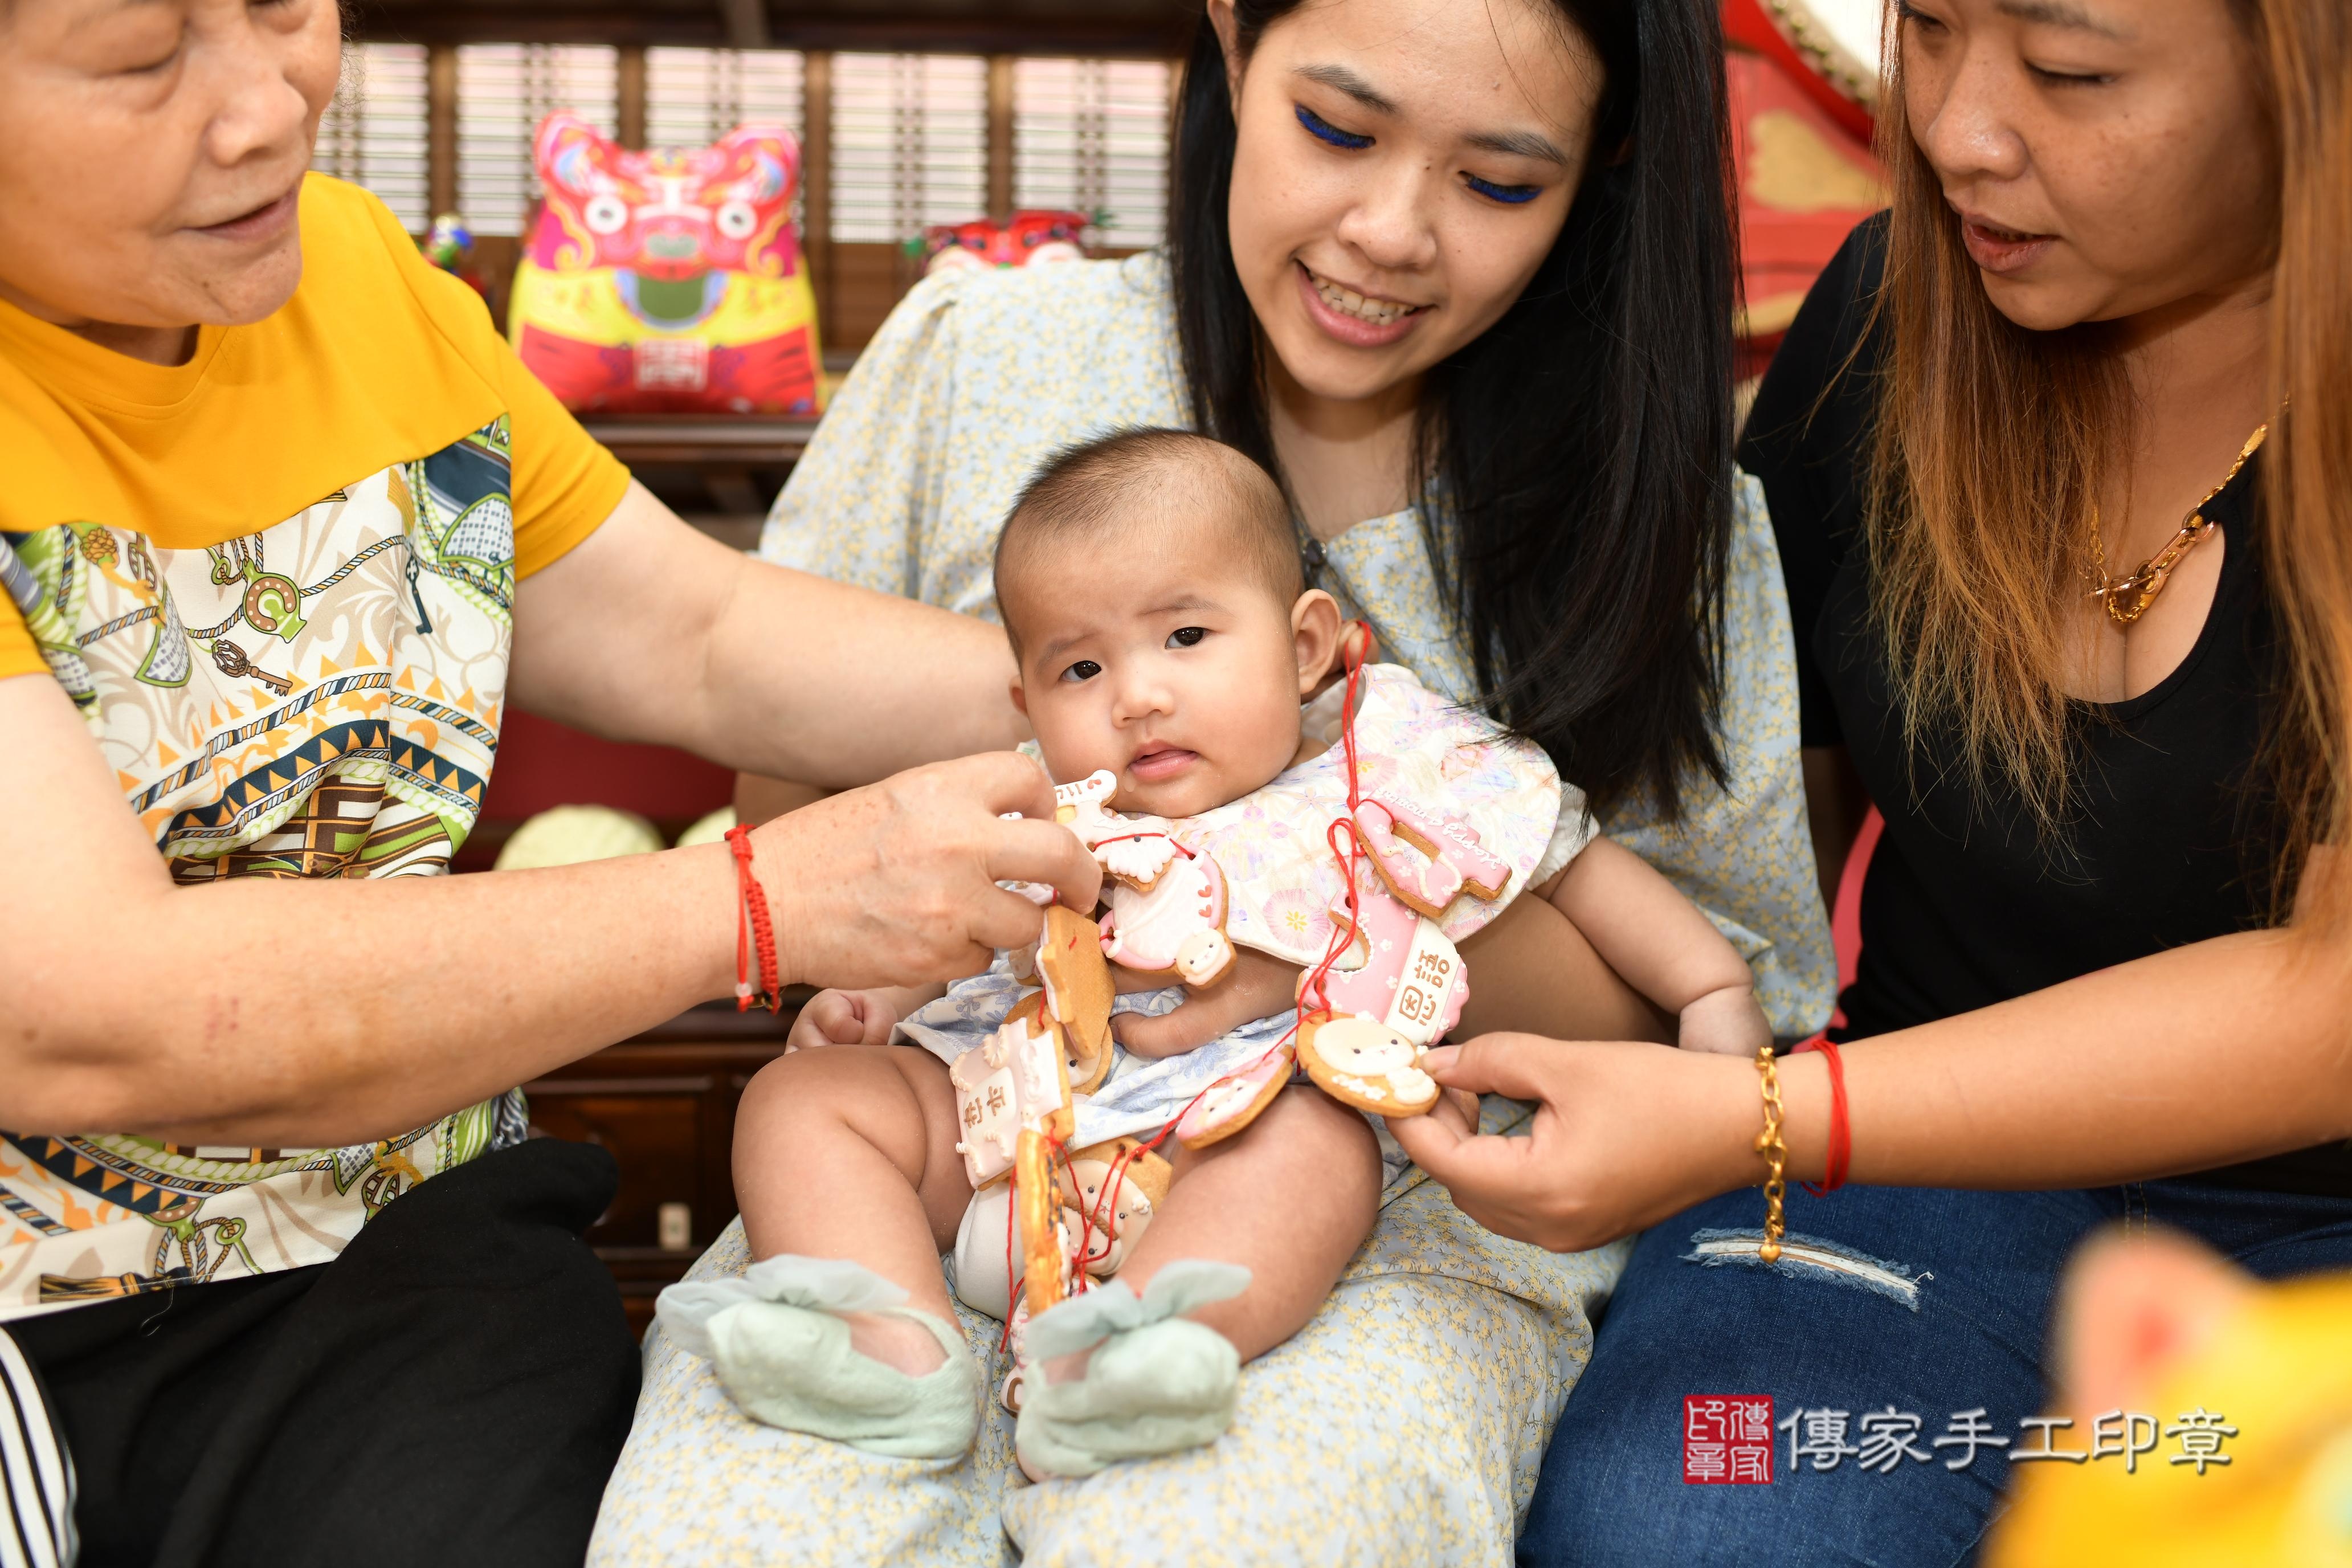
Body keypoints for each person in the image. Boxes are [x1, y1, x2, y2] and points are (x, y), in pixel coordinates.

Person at [593, 0, 1834, 1561]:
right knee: (749, 1527)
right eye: (1338, 127)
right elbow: (787, 828)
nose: (1390, 231)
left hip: (1392, 1197)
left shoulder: (1664, 520)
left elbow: (1721, 1020)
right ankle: (888, 1354)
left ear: (1604, 168)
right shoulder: (993, 350)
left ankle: (1130, 1362)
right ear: (1235, 41)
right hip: (964, 1127)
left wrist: (1312, 946)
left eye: (1500, 180)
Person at [0, 2, 1101, 1562]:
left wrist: (1124, 706)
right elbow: (92, 1012)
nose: (268, 105)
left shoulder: (358, 278)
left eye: (282, 7)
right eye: (140, 58)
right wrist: (770, 900)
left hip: (391, 1254)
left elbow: (702, 629)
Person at [1376, 1, 2352, 1562]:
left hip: (2285, 1220)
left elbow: (2329, 1012)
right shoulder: (1898, 308)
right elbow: (1753, 839)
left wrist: (1751, 1118)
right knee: (1680, 1522)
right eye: (1936, 32)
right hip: (1905, 1167)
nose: (1958, 129)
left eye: (2073, 71)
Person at [667, 428, 1771, 1482]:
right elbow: (954, 910)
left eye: (1186, 638)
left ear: (1303, 646)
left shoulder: (1380, 758)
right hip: (1007, 1133)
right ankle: (886, 1342)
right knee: (802, 1099)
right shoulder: (1032, 794)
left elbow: (1558, 863)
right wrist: (870, 997)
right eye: (1081, 667)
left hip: (1231, 1129)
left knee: (1320, 1141)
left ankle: (1129, 1359)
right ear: (1028, 701)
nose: (1138, 694)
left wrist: (1708, 986)